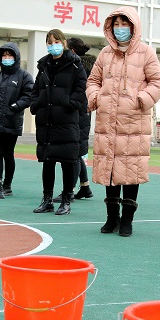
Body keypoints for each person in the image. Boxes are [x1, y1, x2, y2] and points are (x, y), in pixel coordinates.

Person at [87, 6, 160, 237]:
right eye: (116, 25)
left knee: (131, 170)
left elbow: (158, 82)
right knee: (109, 170)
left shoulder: (146, 52)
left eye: (125, 24)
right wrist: (95, 97)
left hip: (134, 123)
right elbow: (93, 80)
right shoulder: (105, 54)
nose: (120, 29)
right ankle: (112, 217)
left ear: (134, 26)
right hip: (107, 121)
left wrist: (140, 99)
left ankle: (127, 219)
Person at [29, 29, 88, 215]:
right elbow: (36, 90)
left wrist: (68, 104)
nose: (52, 45)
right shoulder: (44, 66)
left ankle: (66, 199)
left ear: (63, 43)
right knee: (48, 161)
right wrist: (36, 105)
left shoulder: (76, 66)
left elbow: (81, 92)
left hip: (67, 122)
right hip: (46, 121)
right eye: (49, 42)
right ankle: (47, 200)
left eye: (56, 41)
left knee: (68, 162)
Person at [0, 42, 34, 199]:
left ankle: (7, 185)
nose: (6, 58)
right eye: (4, 55)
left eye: (9, 55)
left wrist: (16, 106)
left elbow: (29, 95)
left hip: (12, 120)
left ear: (16, 57)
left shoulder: (24, 76)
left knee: (8, 154)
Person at [68, 37, 95, 201]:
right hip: (84, 112)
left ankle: (69, 190)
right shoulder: (88, 68)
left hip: (79, 112)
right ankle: (84, 186)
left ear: (71, 51)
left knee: (74, 152)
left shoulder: (77, 68)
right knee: (77, 153)